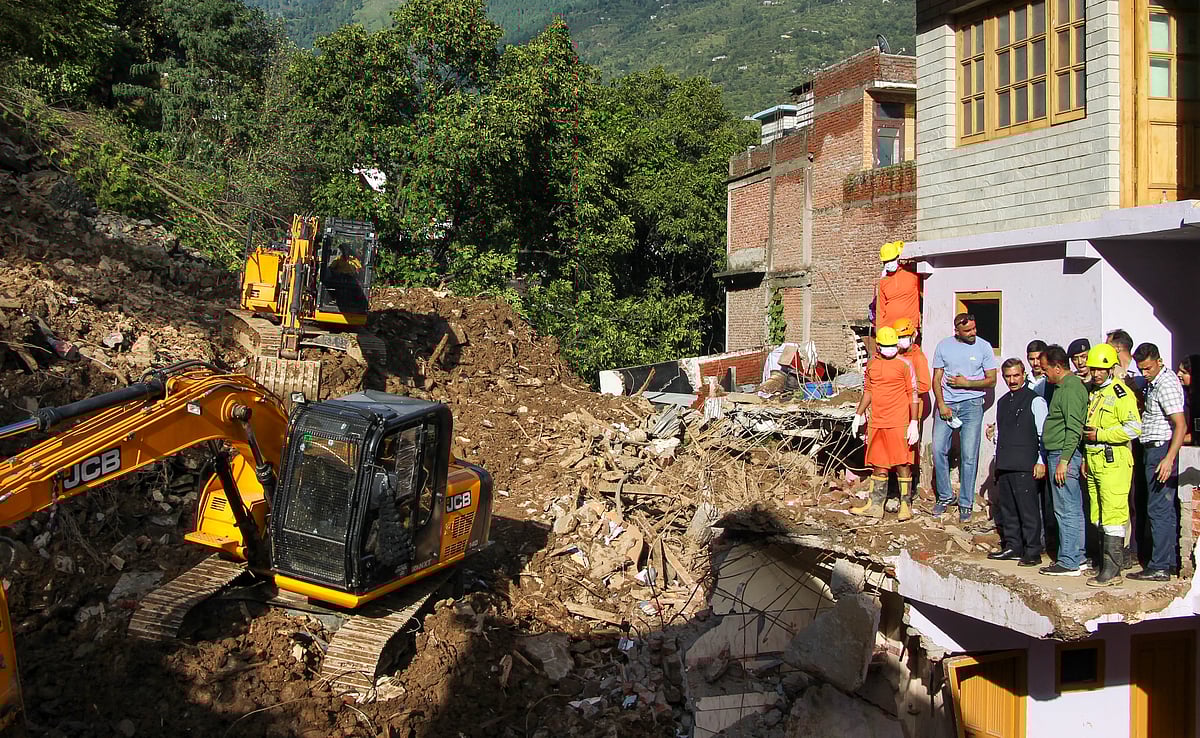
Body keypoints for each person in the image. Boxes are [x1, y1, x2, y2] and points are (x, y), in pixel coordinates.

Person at [1081, 344, 1142, 587]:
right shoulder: (1095, 393)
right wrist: (1087, 457)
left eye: (1101, 369)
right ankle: (1102, 564)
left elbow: (1134, 428)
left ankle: (1113, 570)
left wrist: (1103, 435)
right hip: (1095, 459)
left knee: (1114, 515)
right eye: (1094, 369)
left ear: (1111, 369)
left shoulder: (1121, 393)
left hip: (1113, 460)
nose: (1096, 373)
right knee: (1098, 514)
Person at [931, 313, 998, 522]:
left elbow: (992, 380)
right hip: (947, 405)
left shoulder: (984, 347)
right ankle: (945, 496)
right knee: (938, 449)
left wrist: (966, 384)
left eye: (974, 329)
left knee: (969, 456)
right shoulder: (943, 346)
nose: (973, 333)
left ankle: (966, 503)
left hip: (972, 406)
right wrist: (941, 404)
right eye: (968, 331)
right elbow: (937, 378)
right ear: (957, 331)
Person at [1128, 343, 1186, 581]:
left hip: (1161, 451)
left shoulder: (1166, 385)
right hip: (1154, 450)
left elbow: (1180, 425)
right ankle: (1168, 562)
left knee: (1158, 510)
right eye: (1141, 369)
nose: (1145, 373)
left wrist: (1169, 458)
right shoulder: (1154, 382)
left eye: (1148, 368)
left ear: (1159, 361)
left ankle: (1160, 566)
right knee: (1163, 509)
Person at [850, 327, 920, 521]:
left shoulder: (905, 364)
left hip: (899, 422)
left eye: (892, 345)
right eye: (886, 346)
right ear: (878, 346)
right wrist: (859, 414)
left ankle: (905, 504)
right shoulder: (872, 364)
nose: (890, 349)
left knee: (902, 462)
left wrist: (913, 422)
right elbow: (868, 390)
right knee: (879, 463)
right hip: (878, 421)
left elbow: (912, 393)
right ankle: (875, 505)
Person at [985, 359, 1048, 566]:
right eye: (1008, 376)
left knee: (1028, 510)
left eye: (1016, 376)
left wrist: (1040, 461)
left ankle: (1032, 550)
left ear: (1023, 375)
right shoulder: (1003, 402)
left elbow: (1042, 434)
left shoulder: (1035, 400)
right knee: (1008, 509)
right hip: (1005, 464)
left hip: (1025, 464)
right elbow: (1002, 433)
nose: (1012, 380)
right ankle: (1013, 546)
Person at [1039, 345, 1089, 576]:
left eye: (1046, 368)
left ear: (1058, 368)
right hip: (1059, 453)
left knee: (1065, 508)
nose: (1043, 373)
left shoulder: (1070, 389)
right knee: (1071, 507)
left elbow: (1074, 428)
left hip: (1062, 454)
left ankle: (1068, 560)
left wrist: (1064, 461)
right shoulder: (1062, 386)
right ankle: (1076, 556)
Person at [887, 318, 930, 514]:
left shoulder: (917, 357)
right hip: (892, 412)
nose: (901, 340)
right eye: (899, 337)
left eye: (905, 336)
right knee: (889, 454)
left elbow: (924, 385)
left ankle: (905, 498)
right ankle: (891, 493)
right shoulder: (892, 357)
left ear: (913, 336)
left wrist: (901, 386)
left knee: (905, 456)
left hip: (909, 413)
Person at [874, 241, 921, 334]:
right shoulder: (883, 282)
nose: (889, 263)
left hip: (909, 327)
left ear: (897, 258)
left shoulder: (913, 275)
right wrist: (879, 329)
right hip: (889, 328)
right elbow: (880, 308)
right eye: (886, 261)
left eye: (891, 260)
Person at [1106, 329, 1145, 396]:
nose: (1105, 350)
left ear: (1117, 348)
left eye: (1107, 346)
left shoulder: (1141, 370)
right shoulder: (1110, 371)